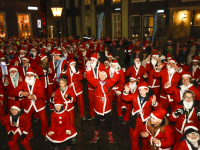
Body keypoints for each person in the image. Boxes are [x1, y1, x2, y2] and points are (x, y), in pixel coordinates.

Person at [12, 67, 48, 139]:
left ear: (34, 76)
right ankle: (28, 133)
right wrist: (21, 92)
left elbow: (41, 95)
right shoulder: (23, 82)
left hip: (39, 104)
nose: (28, 77)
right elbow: (14, 91)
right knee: (27, 120)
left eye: (30, 75)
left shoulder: (39, 83)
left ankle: (45, 133)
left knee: (43, 119)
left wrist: (34, 96)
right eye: (27, 75)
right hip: (28, 105)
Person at [86, 67, 119, 143]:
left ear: (106, 76)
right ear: (99, 76)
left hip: (107, 107)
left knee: (108, 122)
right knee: (96, 122)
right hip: (98, 107)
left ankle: (110, 135)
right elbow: (89, 78)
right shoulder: (96, 82)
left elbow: (115, 79)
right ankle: (96, 135)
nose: (102, 76)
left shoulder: (108, 83)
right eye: (101, 75)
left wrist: (116, 71)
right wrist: (88, 70)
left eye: (104, 75)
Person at [122, 81, 157, 150]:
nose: (141, 92)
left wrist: (155, 103)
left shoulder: (150, 98)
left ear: (147, 91)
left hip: (145, 121)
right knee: (134, 136)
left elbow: (158, 108)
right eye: (140, 90)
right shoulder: (135, 95)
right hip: (135, 119)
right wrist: (126, 92)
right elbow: (125, 98)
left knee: (145, 137)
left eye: (144, 90)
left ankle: (145, 148)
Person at [51, 74, 77, 144]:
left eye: (62, 83)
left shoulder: (70, 90)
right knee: (62, 123)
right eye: (60, 83)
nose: (61, 84)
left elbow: (74, 100)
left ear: (65, 83)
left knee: (71, 123)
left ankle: (73, 136)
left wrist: (69, 97)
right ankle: (63, 136)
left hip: (70, 108)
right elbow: (55, 101)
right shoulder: (57, 91)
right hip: (62, 110)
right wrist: (52, 97)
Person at [85, 53, 105, 120]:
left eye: (94, 60)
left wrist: (101, 74)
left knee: (99, 101)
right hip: (90, 87)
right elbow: (85, 76)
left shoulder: (102, 65)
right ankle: (92, 114)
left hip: (99, 86)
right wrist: (85, 75)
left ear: (97, 60)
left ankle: (101, 114)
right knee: (91, 101)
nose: (92, 61)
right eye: (91, 60)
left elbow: (105, 75)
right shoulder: (88, 65)